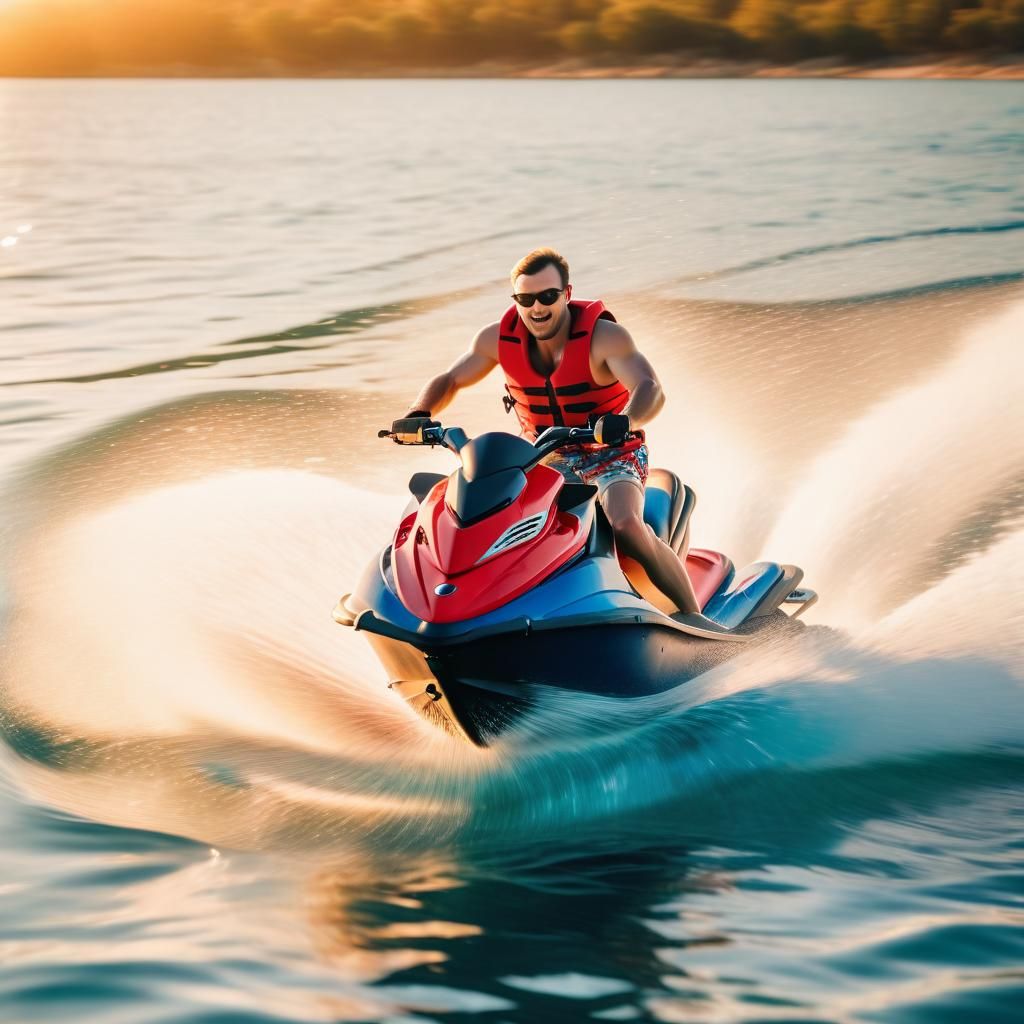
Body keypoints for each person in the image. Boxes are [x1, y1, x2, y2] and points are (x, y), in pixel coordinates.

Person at [403, 247, 700, 615]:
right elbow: (450, 379)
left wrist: (626, 420)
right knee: (494, 522)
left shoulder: (605, 337)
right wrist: (420, 411)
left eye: (547, 296)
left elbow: (649, 388)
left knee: (625, 524)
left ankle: (695, 616)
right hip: (544, 454)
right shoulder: (496, 339)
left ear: (567, 294)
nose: (537, 308)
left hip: (612, 454)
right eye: (526, 299)